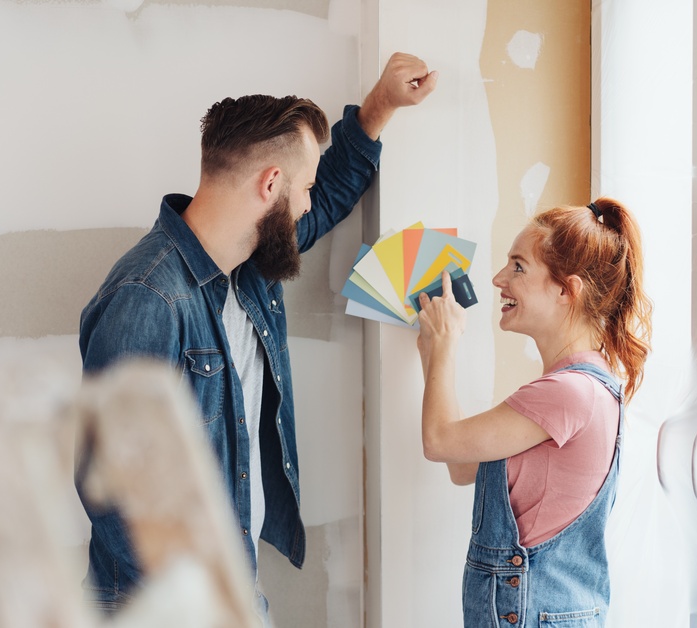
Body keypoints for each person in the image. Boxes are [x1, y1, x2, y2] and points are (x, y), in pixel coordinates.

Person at [76, 53, 438, 617]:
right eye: (304, 188)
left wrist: (380, 107)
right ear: (271, 184)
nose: (309, 203)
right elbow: (114, 486)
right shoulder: (149, 296)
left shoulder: (248, 270)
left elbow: (326, 201)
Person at [414, 199, 652, 627]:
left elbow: (438, 441)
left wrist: (447, 346)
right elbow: (462, 466)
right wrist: (433, 352)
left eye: (518, 267)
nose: (498, 279)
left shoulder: (567, 393)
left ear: (566, 290)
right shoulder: (586, 386)